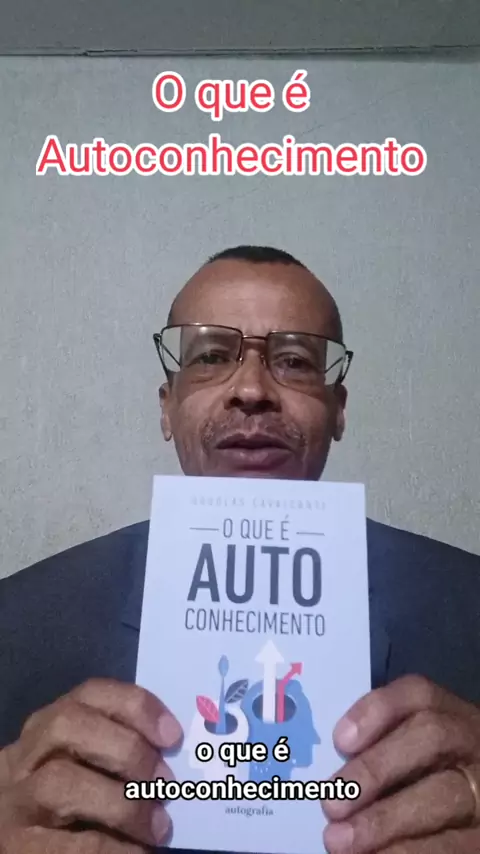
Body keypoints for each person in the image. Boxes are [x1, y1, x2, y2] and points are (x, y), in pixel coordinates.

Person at [1, 245, 479, 854]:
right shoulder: (19, 623)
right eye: (210, 357)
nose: (251, 390)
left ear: (339, 412)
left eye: (295, 361)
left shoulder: (468, 606)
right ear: (167, 408)